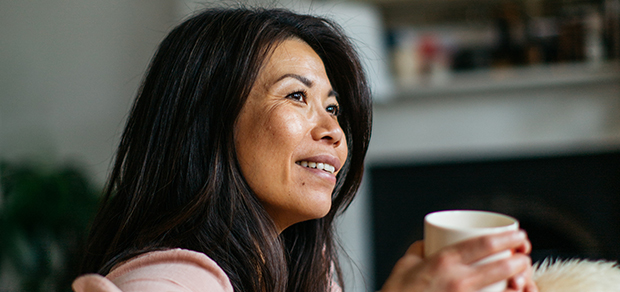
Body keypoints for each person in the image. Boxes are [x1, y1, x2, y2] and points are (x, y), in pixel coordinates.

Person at [73, 7, 537, 292]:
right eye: (297, 96)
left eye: (333, 107)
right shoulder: (167, 284)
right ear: (207, 118)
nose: (334, 131)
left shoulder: (303, 274)